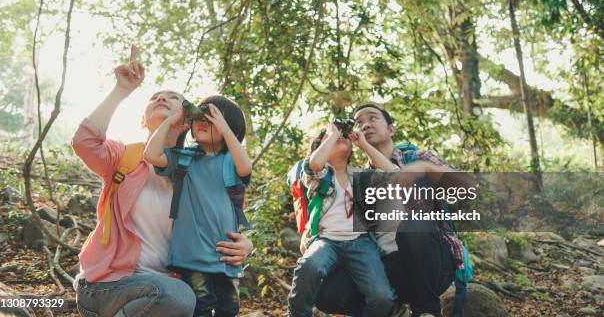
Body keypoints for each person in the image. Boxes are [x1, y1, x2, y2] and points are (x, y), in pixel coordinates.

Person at [72, 45, 253, 317]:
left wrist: (246, 244)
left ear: (189, 121)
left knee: (192, 300)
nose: (161, 98)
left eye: (173, 98)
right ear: (143, 120)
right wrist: (121, 90)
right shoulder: (125, 157)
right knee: (178, 297)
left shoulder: (204, 172)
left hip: (174, 286)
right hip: (109, 286)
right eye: (155, 97)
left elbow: (230, 218)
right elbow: (84, 143)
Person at [315, 104, 463, 317]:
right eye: (359, 123)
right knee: (325, 292)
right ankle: (393, 311)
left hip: (433, 262)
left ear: (391, 129)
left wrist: (427, 168)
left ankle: (426, 311)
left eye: (373, 118)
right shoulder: (359, 179)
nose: (365, 124)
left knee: (412, 226)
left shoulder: (416, 157)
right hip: (388, 268)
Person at [144, 94, 251, 317]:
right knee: (201, 305)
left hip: (225, 254)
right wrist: (171, 121)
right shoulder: (184, 158)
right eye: (199, 117)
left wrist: (222, 125)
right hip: (192, 254)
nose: (203, 121)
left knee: (229, 308)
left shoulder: (231, 162)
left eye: (211, 119)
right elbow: (151, 154)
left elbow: (245, 167)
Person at [287, 121, 397, 317]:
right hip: (326, 240)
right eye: (330, 137)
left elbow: (393, 174)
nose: (340, 136)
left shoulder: (360, 176)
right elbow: (314, 164)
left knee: (383, 297)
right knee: (309, 266)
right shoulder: (320, 176)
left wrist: (364, 144)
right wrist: (332, 133)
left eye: (343, 136)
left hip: (361, 242)